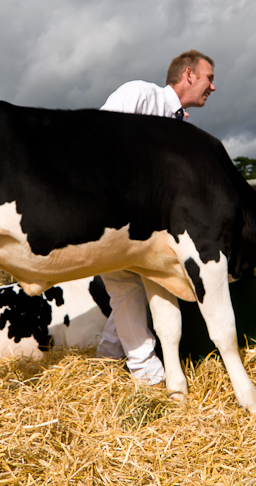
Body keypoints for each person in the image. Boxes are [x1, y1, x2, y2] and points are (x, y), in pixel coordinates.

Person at [95, 50, 216, 385]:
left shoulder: (179, 124)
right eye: (210, 78)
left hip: (144, 223)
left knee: (127, 285)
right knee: (125, 284)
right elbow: (98, 138)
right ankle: (146, 372)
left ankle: (108, 355)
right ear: (189, 74)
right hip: (115, 214)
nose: (213, 87)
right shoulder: (140, 94)